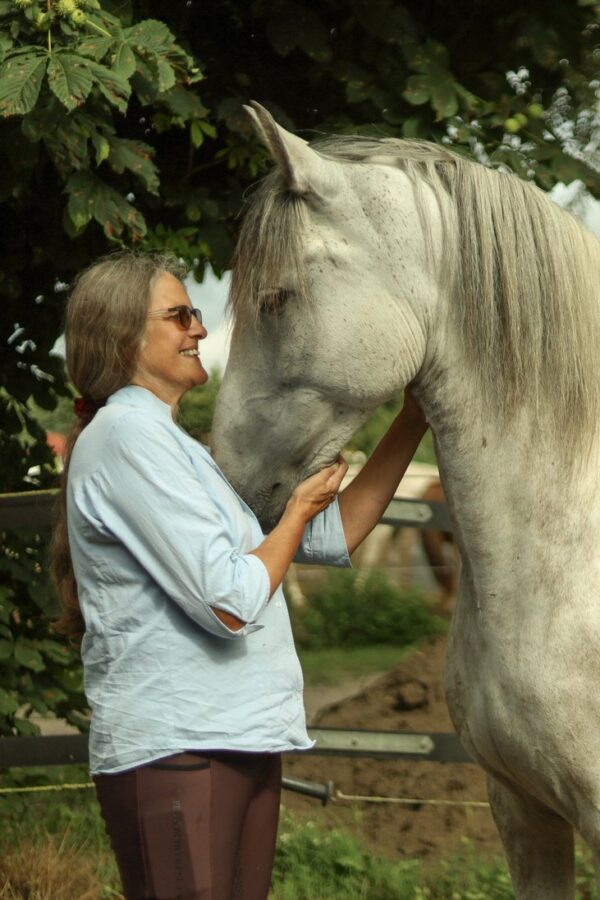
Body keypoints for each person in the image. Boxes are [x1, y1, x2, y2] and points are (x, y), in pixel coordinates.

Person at [50, 250, 427, 900]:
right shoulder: (125, 439)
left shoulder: (183, 450)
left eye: (193, 314)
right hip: (179, 748)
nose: (198, 328)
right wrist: (298, 510)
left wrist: (412, 418)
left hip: (237, 738)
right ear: (124, 336)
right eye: (179, 315)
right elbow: (229, 601)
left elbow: (336, 533)